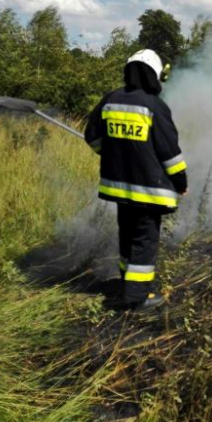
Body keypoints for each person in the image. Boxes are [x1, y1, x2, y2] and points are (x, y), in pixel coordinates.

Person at [84, 49, 188, 310]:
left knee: (127, 236)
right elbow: (169, 153)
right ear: (154, 74)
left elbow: (92, 136)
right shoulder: (154, 106)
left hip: (119, 188)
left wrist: (110, 153)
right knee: (144, 240)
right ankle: (138, 297)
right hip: (148, 191)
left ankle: (127, 283)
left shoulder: (111, 99)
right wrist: (181, 182)